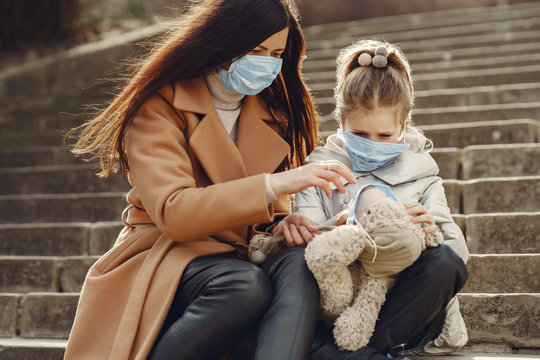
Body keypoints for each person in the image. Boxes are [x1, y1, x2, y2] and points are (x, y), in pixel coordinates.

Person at [63, 1, 359, 359]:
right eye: (255, 50)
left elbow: (268, 214)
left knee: (298, 262)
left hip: (238, 255)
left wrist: (287, 222)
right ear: (223, 41)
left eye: (276, 53)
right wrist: (274, 185)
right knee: (244, 286)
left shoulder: (272, 114)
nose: (267, 62)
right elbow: (175, 212)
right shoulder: (160, 106)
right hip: (168, 253)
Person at [293, 39, 470, 359]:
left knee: (445, 262)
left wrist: (432, 233)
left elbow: (459, 256)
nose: (373, 144)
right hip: (338, 305)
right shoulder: (317, 171)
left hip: (402, 308)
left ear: (404, 127)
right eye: (360, 134)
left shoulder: (424, 174)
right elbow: (306, 246)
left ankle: (357, 352)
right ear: (342, 122)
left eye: (386, 136)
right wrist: (340, 227)